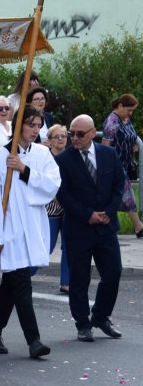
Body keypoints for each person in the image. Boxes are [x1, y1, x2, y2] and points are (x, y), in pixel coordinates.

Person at [0, 106, 60, 358]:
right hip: (9, 229)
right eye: (30, 125)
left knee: (12, 283)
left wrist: (24, 170)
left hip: (32, 226)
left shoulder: (42, 154)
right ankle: (33, 340)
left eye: (38, 125)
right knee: (21, 282)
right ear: (18, 125)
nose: (35, 131)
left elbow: (52, 185)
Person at [56, 114, 125, 342]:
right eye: (71, 134)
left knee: (113, 272)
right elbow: (63, 193)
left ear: (93, 133)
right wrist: (88, 215)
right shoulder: (64, 160)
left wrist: (109, 211)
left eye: (80, 134)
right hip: (79, 228)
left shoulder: (108, 154)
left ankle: (101, 316)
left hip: (106, 226)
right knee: (79, 278)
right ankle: (82, 323)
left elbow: (119, 184)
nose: (74, 138)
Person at [101, 93, 143, 238]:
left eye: (132, 110)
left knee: (117, 196)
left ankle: (109, 224)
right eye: (129, 110)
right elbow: (105, 145)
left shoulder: (125, 119)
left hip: (125, 163)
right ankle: (139, 226)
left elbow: (129, 136)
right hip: (115, 165)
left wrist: (132, 146)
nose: (130, 113)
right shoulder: (112, 121)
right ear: (120, 106)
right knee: (127, 194)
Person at [43, 124, 70, 293]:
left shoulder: (71, 157)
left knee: (69, 246)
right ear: (50, 140)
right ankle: (22, 274)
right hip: (51, 209)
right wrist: (59, 198)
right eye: (56, 136)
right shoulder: (45, 158)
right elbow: (44, 183)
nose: (61, 139)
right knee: (47, 246)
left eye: (63, 136)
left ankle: (66, 283)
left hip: (69, 210)